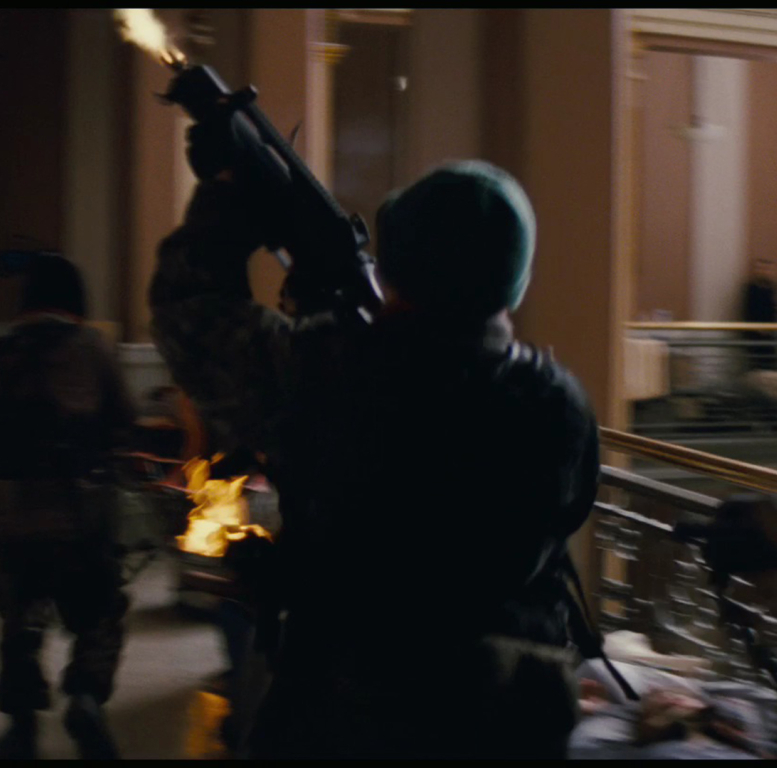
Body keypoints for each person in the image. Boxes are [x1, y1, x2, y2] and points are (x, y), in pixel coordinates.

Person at [150, 145, 602, 758]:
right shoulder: (561, 401)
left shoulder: (320, 369)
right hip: (499, 716)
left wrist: (227, 199)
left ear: (396, 268)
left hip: (347, 712)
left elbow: (188, 314)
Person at [0, 252, 136, 760]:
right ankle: (86, 696)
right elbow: (123, 418)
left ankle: (20, 728)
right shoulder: (93, 349)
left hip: (10, 518)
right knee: (100, 610)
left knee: (17, 620)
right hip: (79, 513)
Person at [741, 258, 777, 371]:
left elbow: (775, 310)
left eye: (766, 269)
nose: (763, 271)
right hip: (755, 335)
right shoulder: (751, 289)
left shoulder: (773, 288)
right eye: (760, 268)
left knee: (771, 364)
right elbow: (748, 311)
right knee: (756, 365)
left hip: (771, 336)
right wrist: (758, 328)